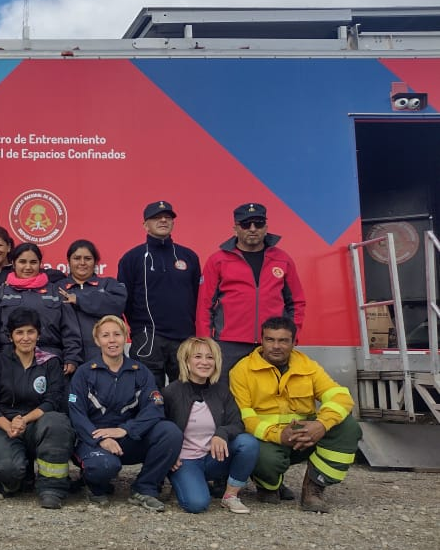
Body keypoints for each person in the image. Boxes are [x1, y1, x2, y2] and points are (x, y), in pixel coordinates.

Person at [230, 316, 361, 513]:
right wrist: (279, 435)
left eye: (283, 340)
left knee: (348, 427)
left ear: (294, 342)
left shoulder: (308, 366)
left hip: (305, 436)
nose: (276, 346)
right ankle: (269, 486)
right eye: (270, 339)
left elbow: (341, 397)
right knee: (258, 454)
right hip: (268, 439)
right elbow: (245, 418)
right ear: (261, 340)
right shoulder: (242, 370)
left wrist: (321, 425)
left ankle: (314, 487)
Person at [68, 315, 182, 512]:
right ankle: (96, 486)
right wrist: (100, 439)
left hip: (129, 438)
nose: (112, 340)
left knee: (170, 432)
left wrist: (125, 430)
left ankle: (145, 488)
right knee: (103, 466)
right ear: (97, 340)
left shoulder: (140, 372)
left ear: (125, 337)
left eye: (117, 334)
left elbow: (155, 408)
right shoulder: (84, 373)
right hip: (94, 440)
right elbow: (76, 414)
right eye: (105, 335)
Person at [0, 307, 76, 509]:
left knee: (57, 422)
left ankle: (52, 489)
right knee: (7, 469)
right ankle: (16, 479)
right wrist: (8, 425)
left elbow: (53, 400)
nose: (25, 338)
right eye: (19, 332)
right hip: (5, 425)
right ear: (10, 336)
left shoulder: (50, 362)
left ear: (38, 334)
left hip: (38, 422)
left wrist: (24, 420)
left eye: (31, 332)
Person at [197, 203, 306, 375]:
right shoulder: (217, 260)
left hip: (271, 343)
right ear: (236, 228)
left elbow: (296, 303)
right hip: (228, 344)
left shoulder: (282, 259)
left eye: (258, 223)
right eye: (246, 224)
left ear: (266, 228)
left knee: (272, 389)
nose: (253, 229)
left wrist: (292, 335)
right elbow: (204, 305)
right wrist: (205, 342)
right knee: (226, 390)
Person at [163, 337, 259, 514]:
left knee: (248, 443)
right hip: (185, 461)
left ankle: (230, 495)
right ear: (186, 361)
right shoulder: (171, 392)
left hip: (214, 457)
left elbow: (237, 423)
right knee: (197, 504)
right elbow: (161, 428)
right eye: (197, 357)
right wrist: (169, 454)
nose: (205, 362)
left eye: (210, 357)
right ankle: (185, 483)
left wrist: (221, 433)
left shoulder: (222, 390)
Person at [117, 200, 201, 389]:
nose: (163, 220)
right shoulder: (132, 258)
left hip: (183, 338)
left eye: (168, 217)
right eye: (156, 217)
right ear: (145, 225)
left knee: (185, 393)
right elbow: (125, 300)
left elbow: (196, 296)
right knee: (149, 394)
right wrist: (140, 328)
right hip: (148, 338)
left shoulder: (189, 256)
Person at [0, 243, 82, 376]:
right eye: (22, 262)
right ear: (13, 263)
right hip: (9, 359)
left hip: (50, 360)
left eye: (33, 262)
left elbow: (70, 329)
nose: (28, 267)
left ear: (40, 264)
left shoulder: (57, 293)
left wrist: (72, 357)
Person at [57, 239, 127, 361]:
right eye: (77, 258)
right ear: (68, 261)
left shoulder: (108, 284)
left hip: (105, 356)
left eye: (88, 259)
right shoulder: (58, 288)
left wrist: (79, 300)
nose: (82, 263)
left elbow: (117, 305)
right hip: (69, 358)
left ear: (95, 262)